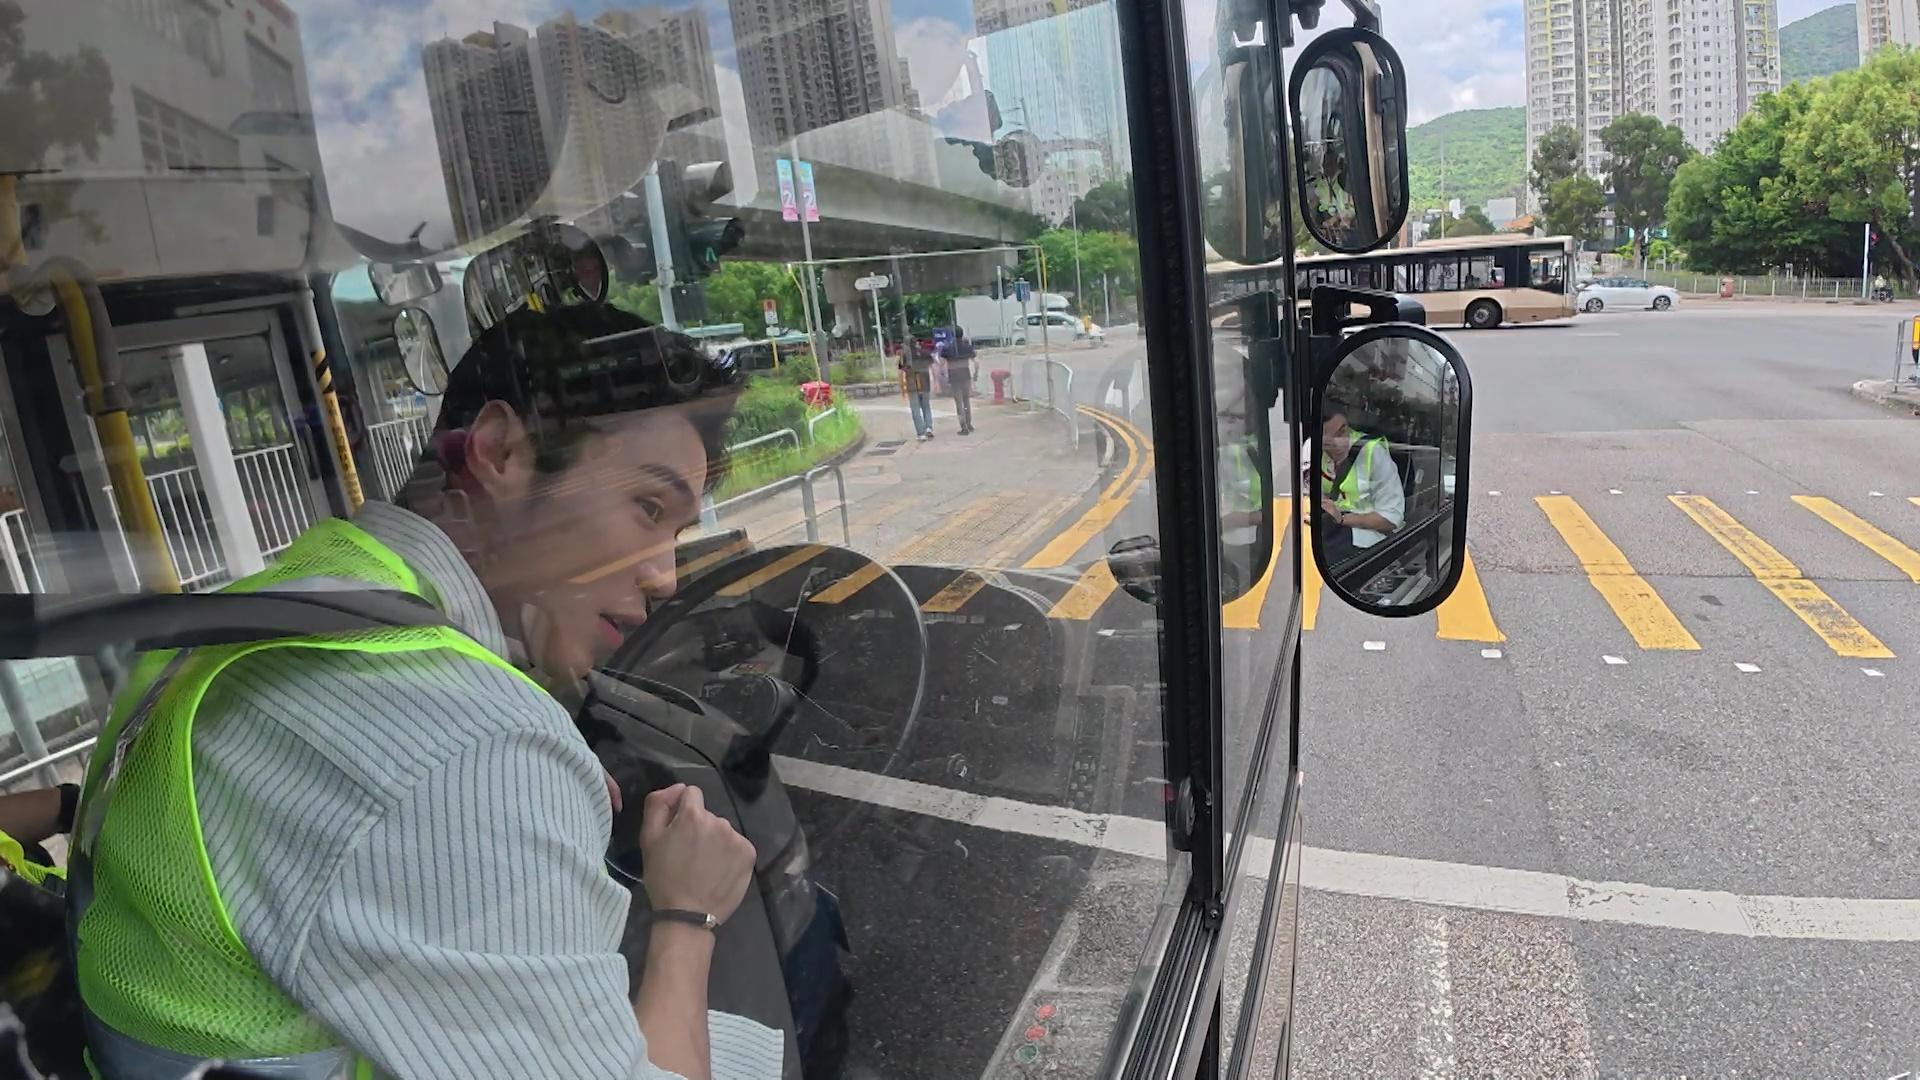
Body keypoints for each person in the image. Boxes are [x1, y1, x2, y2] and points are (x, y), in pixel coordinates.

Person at [68, 303, 779, 1080]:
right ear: (501, 450)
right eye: (648, 508)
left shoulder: (300, 594)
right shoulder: (469, 745)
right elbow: (436, 766)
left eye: (676, 533)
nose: (665, 575)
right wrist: (688, 914)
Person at [1318, 407, 1404, 566]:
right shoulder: (1311, 451)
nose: (1339, 443)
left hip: (1368, 539)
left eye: (1342, 432)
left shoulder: (1372, 452)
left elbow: (1392, 518)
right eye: (1328, 442)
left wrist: (1342, 519)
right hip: (1329, 531)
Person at [942, 328, 978, 435]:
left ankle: (963, 426)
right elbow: (976, 362)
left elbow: (942, 364)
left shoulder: (947, 348)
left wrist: (944, 376)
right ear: (962, 335)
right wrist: (975, 374)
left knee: (959, 402)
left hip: (954, 377)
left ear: (952, 335)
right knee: (966, 401)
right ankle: (969, 423)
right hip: (966, 375)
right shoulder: (968, 347)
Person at [900, 336, 936, 441]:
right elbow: (932, 364)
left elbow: (901, 369)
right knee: (926, 407)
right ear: (916, 343)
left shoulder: (904, 356)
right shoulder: (925, 353)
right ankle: (929, 427)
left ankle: (921, 433)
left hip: (912, 385)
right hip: (925, 384)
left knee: (915, 409)